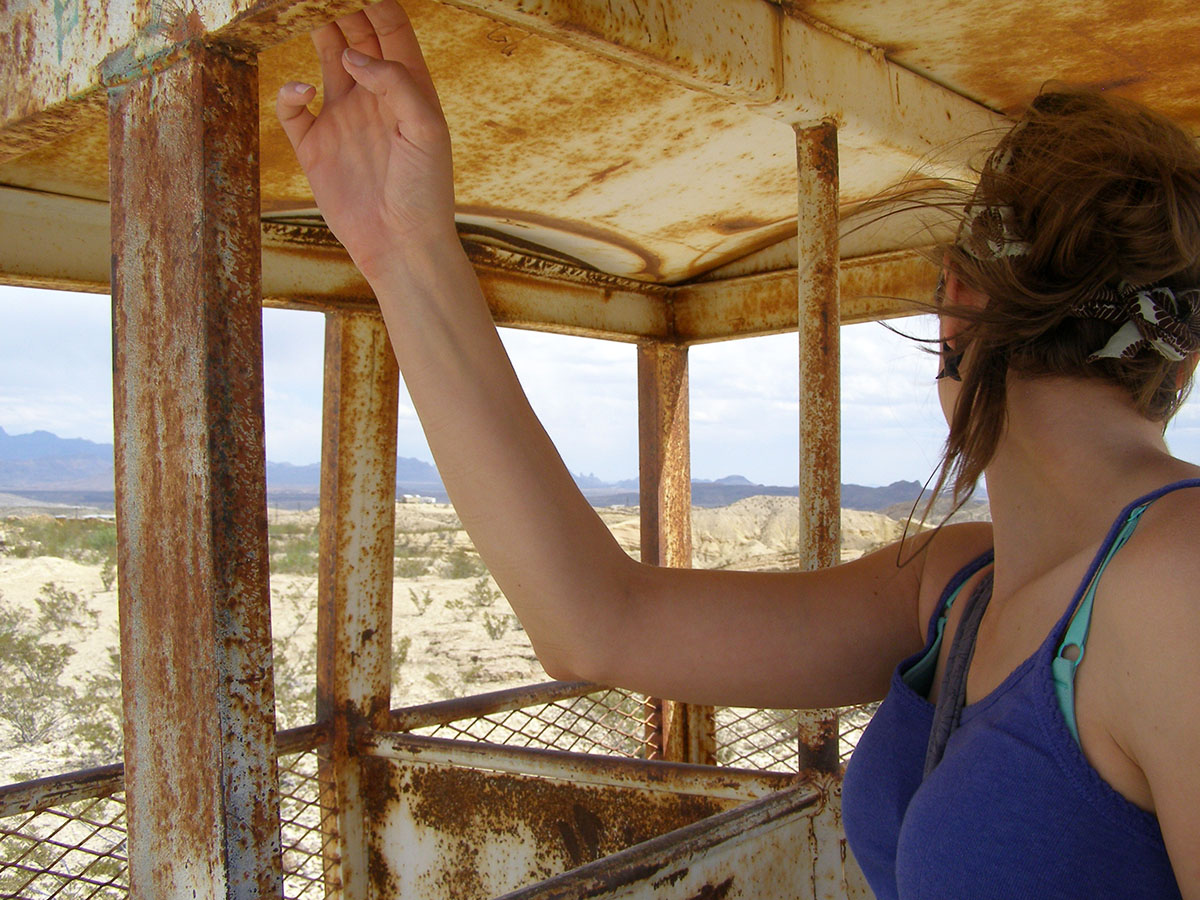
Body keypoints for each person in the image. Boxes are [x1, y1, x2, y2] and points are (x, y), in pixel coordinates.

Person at [276, 4, 1200, 897]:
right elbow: (597, 622)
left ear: (956, 298)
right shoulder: (963, 586)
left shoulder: (1174, 583)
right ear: (1176, 360)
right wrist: (404, 253)